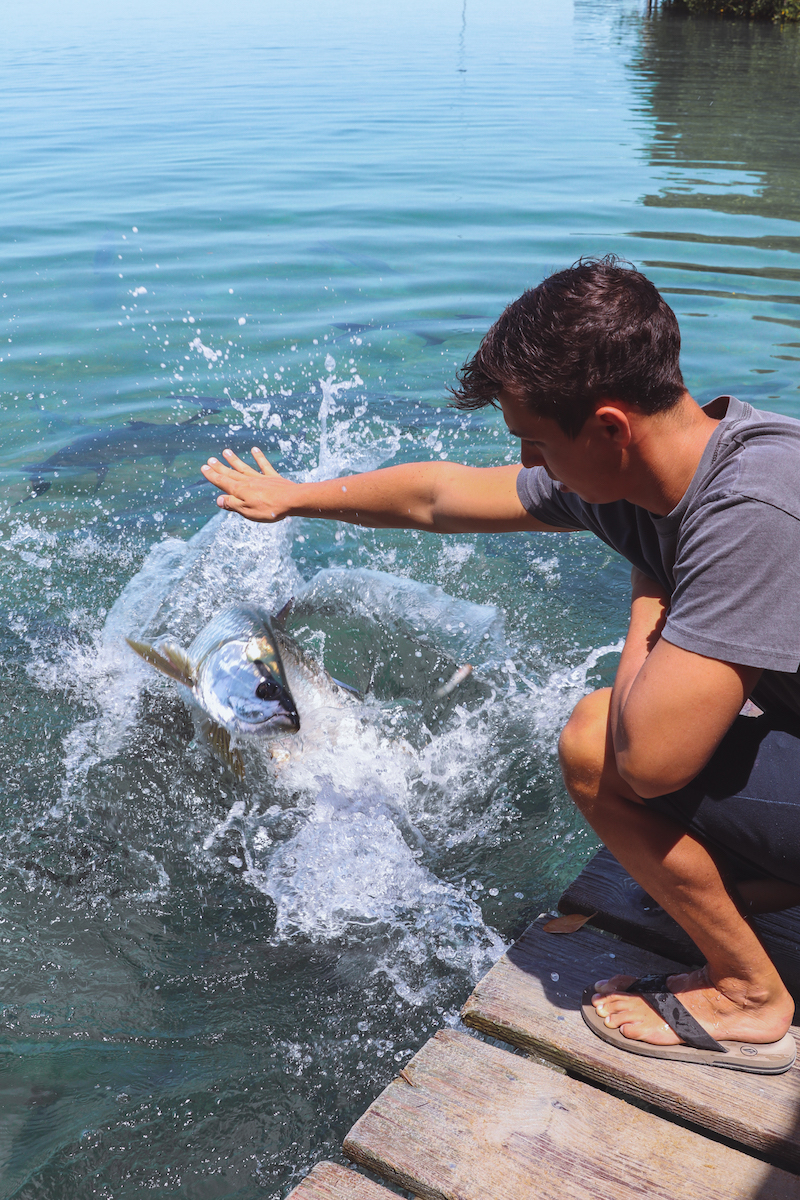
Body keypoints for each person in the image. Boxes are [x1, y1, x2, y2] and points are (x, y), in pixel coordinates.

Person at [201, 256, 800, 1071]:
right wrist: (297, 496)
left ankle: (748, 993)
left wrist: (649, 588)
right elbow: (439, 497)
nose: (531, 463)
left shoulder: (750, 513)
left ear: (610, 427)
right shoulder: (662, 467)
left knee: (597, 742)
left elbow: (650, 764)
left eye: (536, 443)